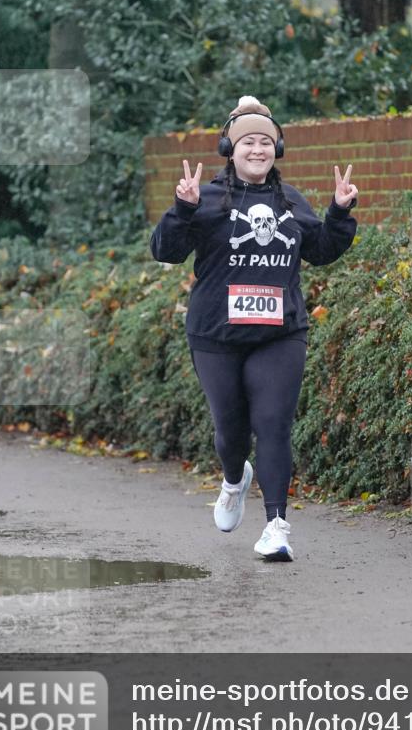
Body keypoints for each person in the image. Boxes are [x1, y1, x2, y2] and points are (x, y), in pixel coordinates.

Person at [150, 95, 358, 562]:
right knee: (231, 432)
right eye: (248, 142)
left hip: (279, 334)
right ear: (230, 147)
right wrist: (181, 210)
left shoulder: (290, 201)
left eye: (266, 141)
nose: (258, 149)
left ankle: (277, 526)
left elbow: (321, 249)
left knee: (274, 425)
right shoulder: (204, 198)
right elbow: (165, 251)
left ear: (277, 149)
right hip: (215, 335)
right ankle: (232, 479)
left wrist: (339, 214)